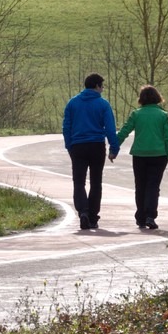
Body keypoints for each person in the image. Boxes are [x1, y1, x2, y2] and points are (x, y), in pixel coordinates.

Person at [62, 73, 120, 230]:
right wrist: (114, 148)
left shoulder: (72, 103)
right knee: (96, 182)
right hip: (96, 145)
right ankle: (93, 216)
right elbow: (110, 129)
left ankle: (83, 212)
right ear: (96, 86)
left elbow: (66, 127)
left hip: (78, 146)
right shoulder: (103, 104)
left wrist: (69, 145)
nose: (102, 89)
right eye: (102, 86)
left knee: (79, 181)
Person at [114, 85, 168, 230]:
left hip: (139, 155)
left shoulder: (136, 114)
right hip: (159, 155)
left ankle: (140, 217)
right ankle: (150, 216)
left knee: (140, 186)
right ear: (158, 98)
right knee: (153, 186)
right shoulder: (163, 115)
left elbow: (124, 131)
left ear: (141, 99)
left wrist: (114, 148)